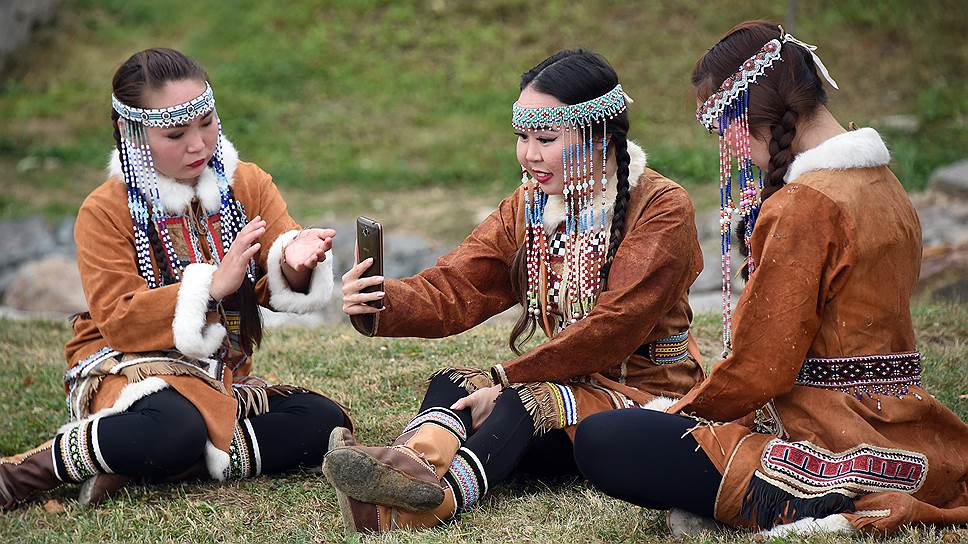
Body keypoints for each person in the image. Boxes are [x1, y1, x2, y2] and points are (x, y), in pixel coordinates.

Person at [573, 21, 968, 537]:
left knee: (604, 439)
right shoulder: (885, 185)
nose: (732, 151)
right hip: (906, 429)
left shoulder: (804, 205)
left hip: (828, 436)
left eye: (722, 131)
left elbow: (763, 366)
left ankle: (816, 501)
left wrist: (681, 413)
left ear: (745, 114)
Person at [322, 49, 705, 534]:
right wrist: (382, 299)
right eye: (522, 137)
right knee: (454, 384)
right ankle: (407, 468)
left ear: (601, 135)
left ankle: (429, 504)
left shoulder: (662, 207)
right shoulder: (528, 205)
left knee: (519, 402)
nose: (528, 155)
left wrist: (506, 379)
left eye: (546, 138)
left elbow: (615, 326)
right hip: (562, 381)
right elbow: (459, 284)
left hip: (645, 396)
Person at [0, 48, 350, 510]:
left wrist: (294, 261)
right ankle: (23, 474)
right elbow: (119, 318)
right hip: (126, 368)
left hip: (216, 375)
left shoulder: (246, 184)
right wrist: (211, 288)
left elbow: (276, 262)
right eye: (176, 133)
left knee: (323, 421)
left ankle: (143, 463)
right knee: (175, 425)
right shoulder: (104, 210)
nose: (198, 145)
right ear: (132, 132)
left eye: (206, 123)